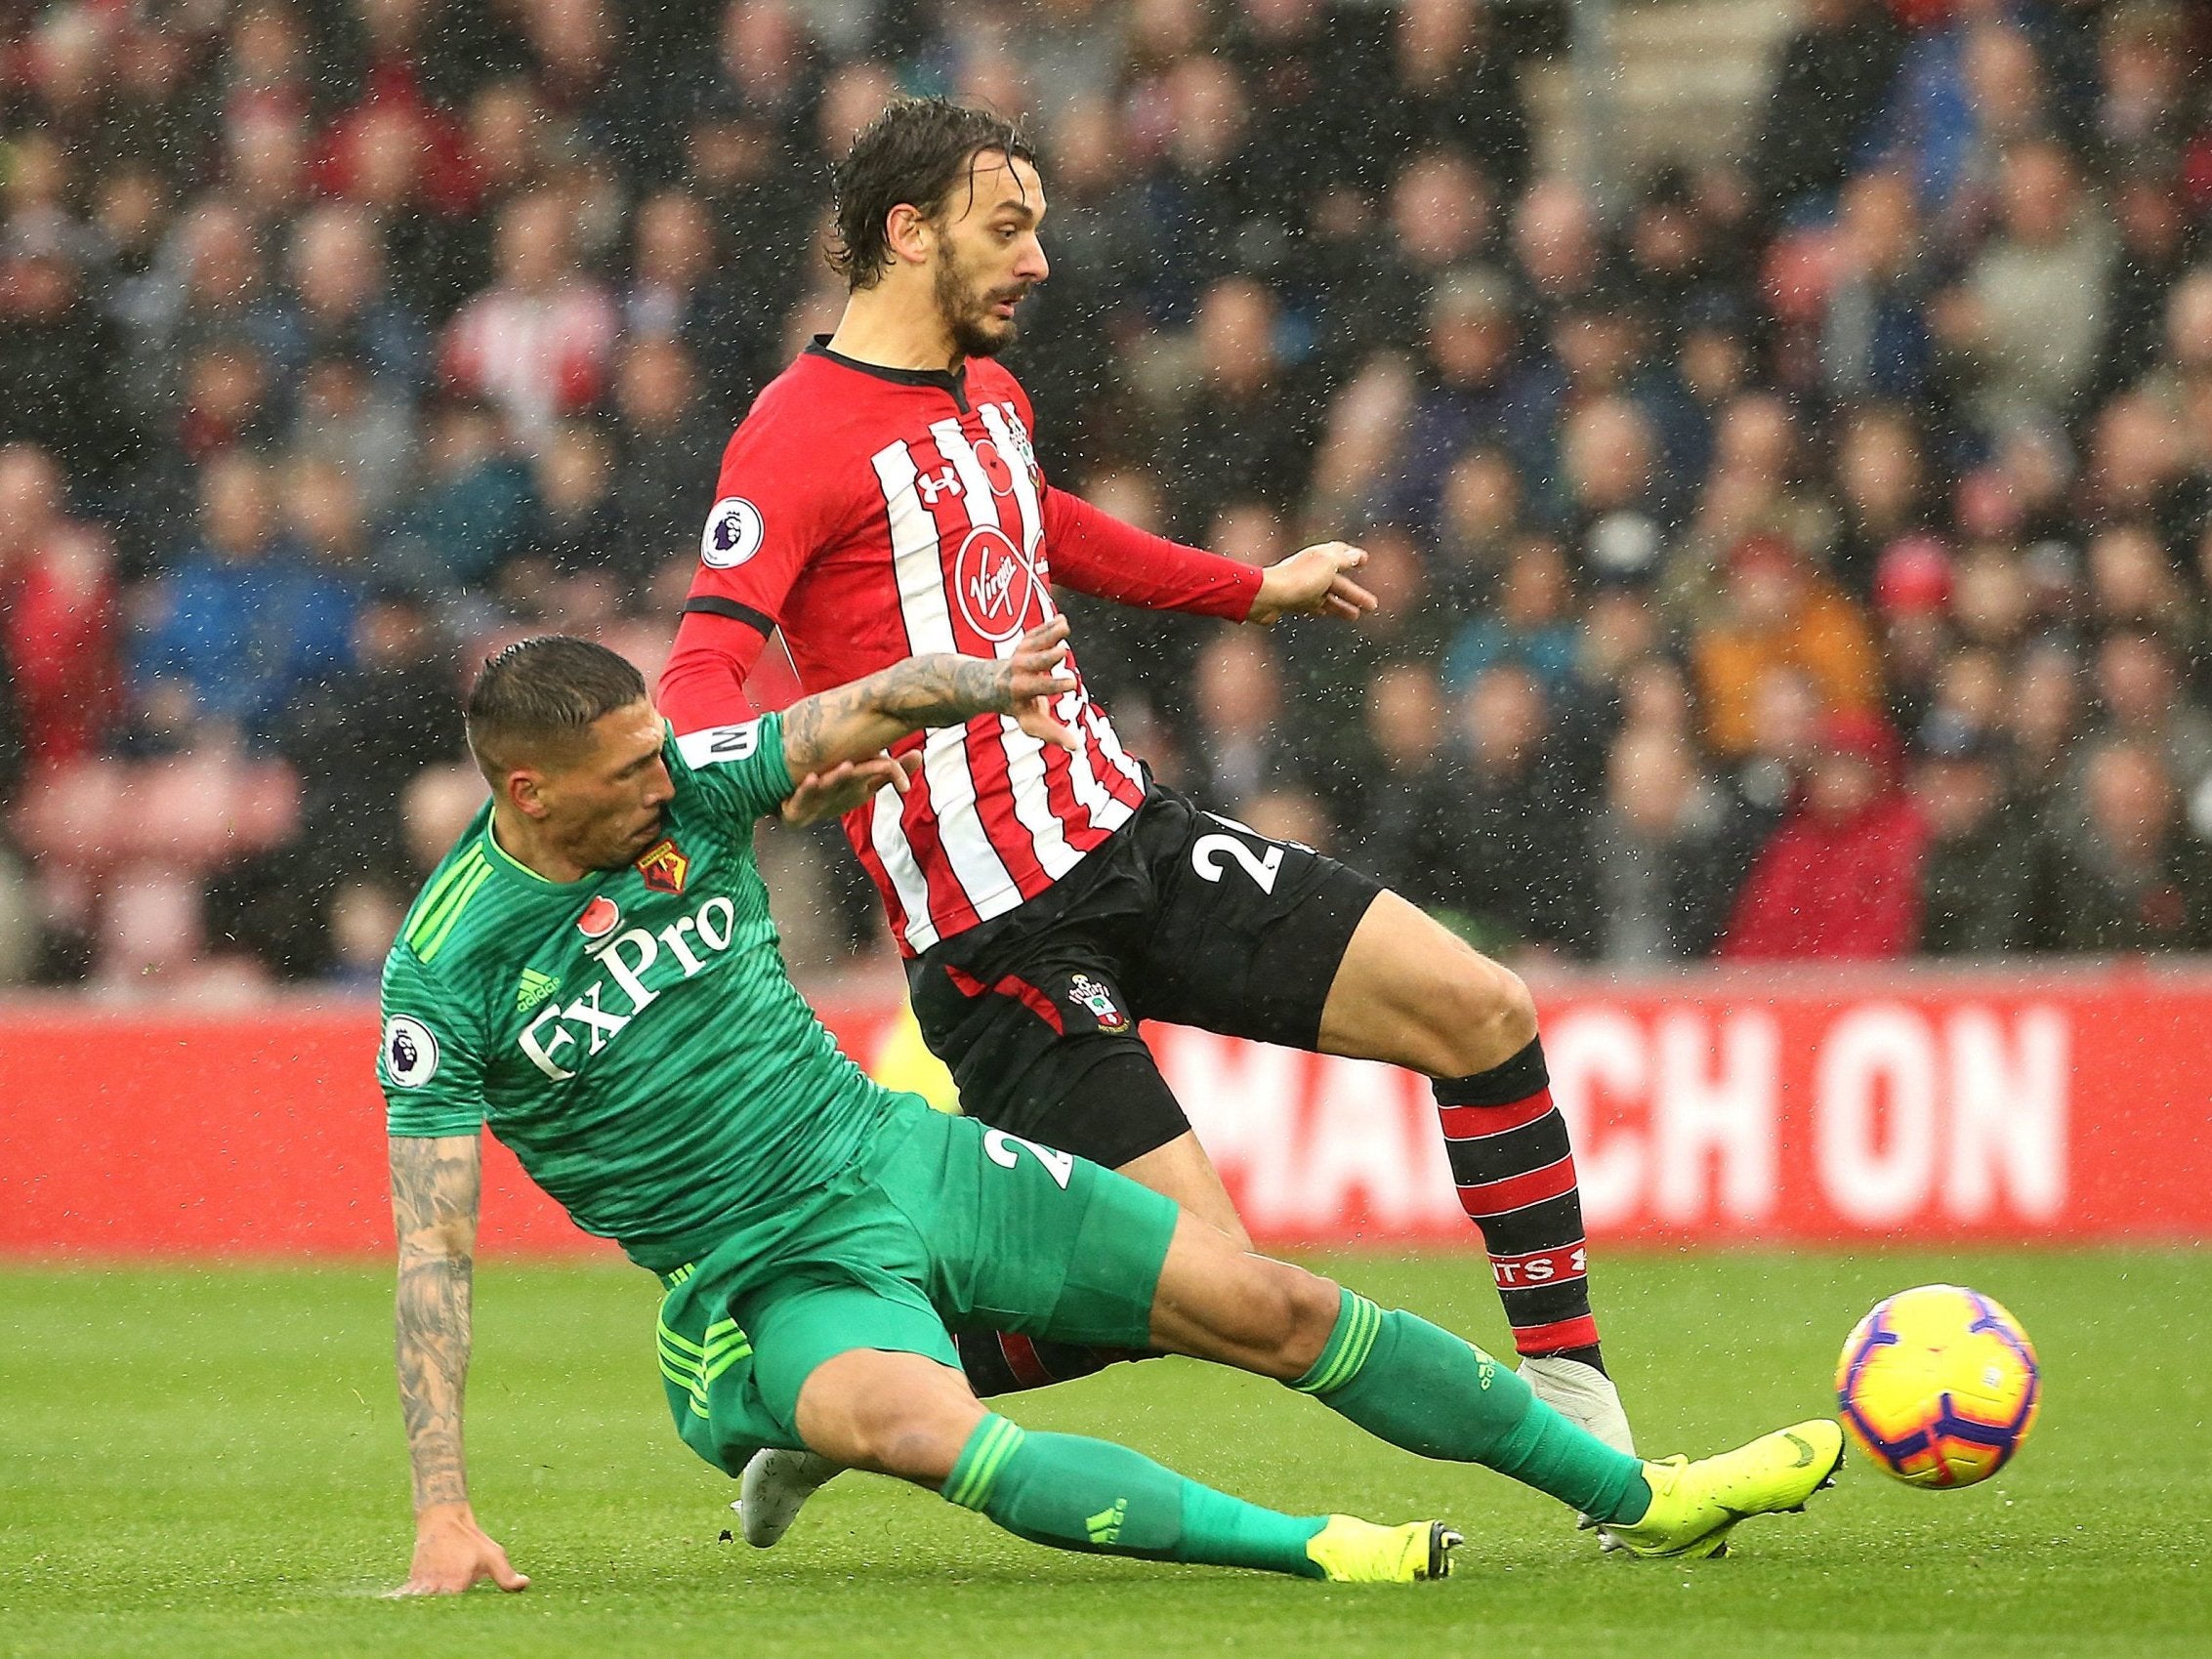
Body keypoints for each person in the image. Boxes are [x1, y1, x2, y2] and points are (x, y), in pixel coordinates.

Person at [379, 629, 1843, 1594]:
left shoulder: (681, 791)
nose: (667, 776)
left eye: (660, 752)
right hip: (758, 1271)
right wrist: (445, 1507)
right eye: (630, 769)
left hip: (898, 1155)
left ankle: (1645, 1499)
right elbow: (433, 1259)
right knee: (925, 1421)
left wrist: (986, 682)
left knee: (1262, 1300)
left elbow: (848, 710)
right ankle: (1328, 1552)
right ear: (532, 791)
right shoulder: (444, 976)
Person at [654, 98, 1637, 1512]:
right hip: (998, 935)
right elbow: (702, 663)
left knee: (1481, 1009)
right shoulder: (793, 435)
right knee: (1210, 1286)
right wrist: (739, 785)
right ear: (905, 232)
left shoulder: (988, 395)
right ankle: (835, 1397)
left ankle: (1571, 1389)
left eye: (1039, 227)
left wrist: (1250, 587)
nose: (1038, 259)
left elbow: (1043, 525)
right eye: (1008, 228)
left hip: (1131, 835)